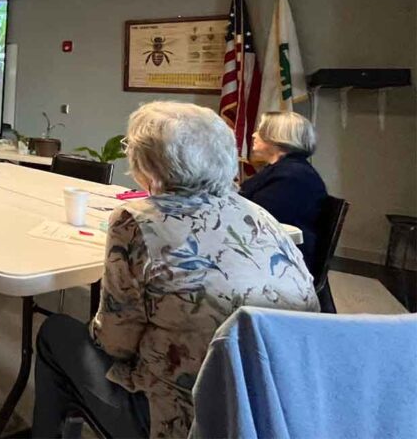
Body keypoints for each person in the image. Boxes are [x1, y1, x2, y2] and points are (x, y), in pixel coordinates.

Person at [33, 101, 319, 439]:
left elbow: (115, 344)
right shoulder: (262, 216)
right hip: (274, 410)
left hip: (185, 420)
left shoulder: (137, 220)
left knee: (55, 332)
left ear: (145, 161)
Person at [241, 111, 328, 274]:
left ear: (276, 137)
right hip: (270, 250)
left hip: (282, 261)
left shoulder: (292, 176)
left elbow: (257, 220)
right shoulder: (285, 169)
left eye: (259, 130)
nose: (253, 135)